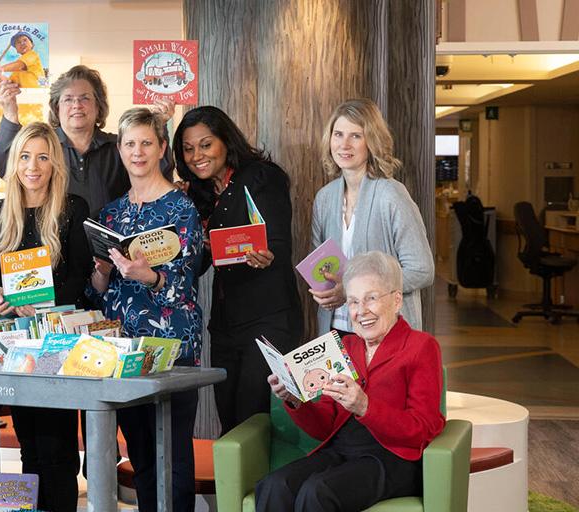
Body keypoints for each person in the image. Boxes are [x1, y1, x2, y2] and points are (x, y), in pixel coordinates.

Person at [255, 251, 445, 511]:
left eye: (372, 299)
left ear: (397, 300)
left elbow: (423, 428)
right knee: (275, 485)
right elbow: (325, 427)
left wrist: (365, 406)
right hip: (342, 450)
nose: (361, 311)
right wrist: (295, 398)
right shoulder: (346, 345)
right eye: (353, 302)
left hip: (393, 457)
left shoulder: (422, 346)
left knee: (317, 492)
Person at [88, 108, 204, 511]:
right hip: (123, 351)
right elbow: (101, 294)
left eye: (146, 143)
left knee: (171, 460)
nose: (137, 152)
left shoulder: (181, 209)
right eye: (130, 143)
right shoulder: (111, 213)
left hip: (172, 350)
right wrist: (103, 273)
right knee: (141, 459)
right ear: (120, 149)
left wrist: (148, 276)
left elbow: (184, 286)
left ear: (160, 149)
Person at [0, 122, 93, 512]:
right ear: (14, 162)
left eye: (43, 157)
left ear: (54, 163)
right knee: (29, 443)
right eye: (25, 157)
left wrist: (41, 302)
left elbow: (79, 277)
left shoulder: (73, 208)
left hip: (58, 340)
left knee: (59, 444)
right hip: (15, 344)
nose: (33, 166)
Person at [174, 105, 304, 434]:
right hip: (224, 325)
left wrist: (266, 254)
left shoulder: (261, 176)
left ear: (225, 142)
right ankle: (237, 487)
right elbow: (200, 266)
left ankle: (263, 488)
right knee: (229, 420)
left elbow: (278, 242)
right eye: (188, 149)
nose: (196, 156)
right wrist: (184, 225)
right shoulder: (197, 195)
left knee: (253, 419)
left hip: (268, 319)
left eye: (206, 144)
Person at [309, 98, 434, 336]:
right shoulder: (324, 198)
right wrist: (322, 286)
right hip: (337, 330)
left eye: (356, 136)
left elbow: (422, 270)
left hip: (385, 332)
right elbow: (320, 267)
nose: (344, 145)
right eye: (338, 134)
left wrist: (352, 290)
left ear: (372, 141)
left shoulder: (391, 194)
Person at [0, 64, 174, 218]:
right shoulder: (43, 147)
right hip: (56, 248)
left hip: (112, 251)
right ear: (57, 108)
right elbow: (5, 166)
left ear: (98, 105)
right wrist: (10, 112)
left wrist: (159, 125)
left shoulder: (118, 147)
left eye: (85, 98)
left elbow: (157, 178)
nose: (77, 105)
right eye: (68, 99)